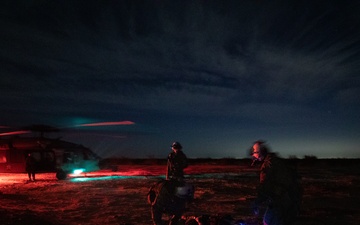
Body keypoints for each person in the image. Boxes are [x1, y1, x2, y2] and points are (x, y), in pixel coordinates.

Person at [249, 140, 302, 225]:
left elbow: (265, 186)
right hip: (290, 198)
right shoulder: (274, 160)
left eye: (255, 153)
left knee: (268, 221)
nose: (254, 156)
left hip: (283, 199)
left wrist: (257, 202)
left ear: (259, 153)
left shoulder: (268, 165)